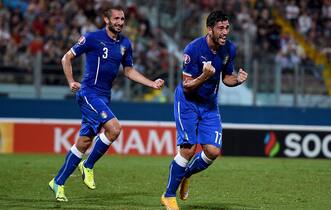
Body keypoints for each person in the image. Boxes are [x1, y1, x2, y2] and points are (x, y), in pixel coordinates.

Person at [48, 5, 164, 202]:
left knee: (84, 142)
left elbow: (128, 71)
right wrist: (70, 81)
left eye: (122, 19)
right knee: (114, 129)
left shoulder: (125, 43)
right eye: (116, 18)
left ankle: (58, 182)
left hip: (104, 97)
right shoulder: (92, 38)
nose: (120, 22)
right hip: (88, 93)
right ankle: (88, 165)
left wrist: (151, 83)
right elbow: (66, 58)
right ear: (106, 20)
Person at [160, 11, 248, 210]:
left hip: (209, 105)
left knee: (213, 151)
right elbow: (187, 85)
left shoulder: (229, 49)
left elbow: (226, 77)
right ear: (210, 29)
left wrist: (237, 80)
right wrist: (204, 76)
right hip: (188, 103)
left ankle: (186, 174)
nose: (225, 32)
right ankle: (168, 196)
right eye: (220, 28)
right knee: (188, 150)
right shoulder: (193, 49)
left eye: (227, 27)